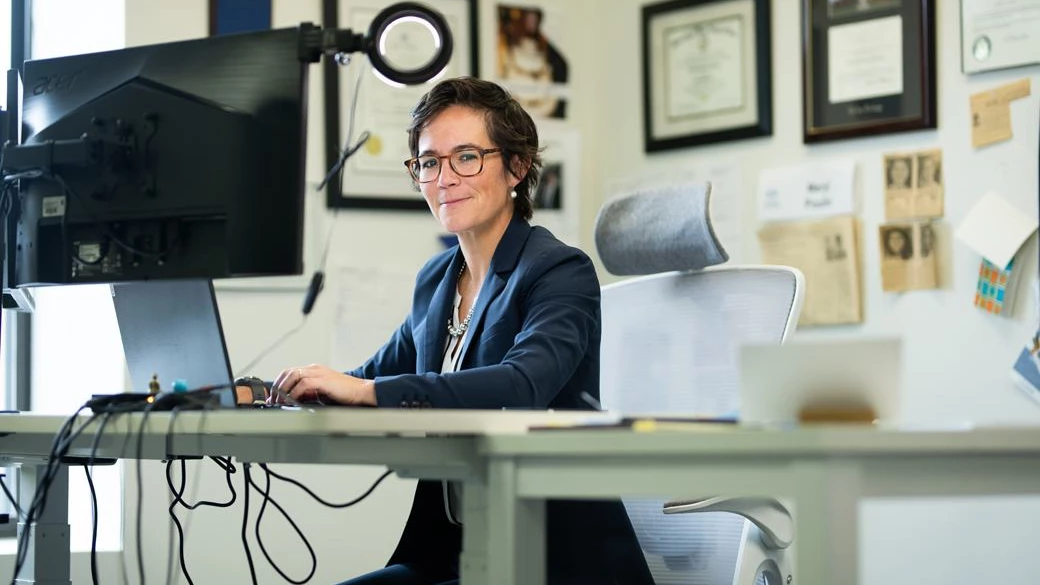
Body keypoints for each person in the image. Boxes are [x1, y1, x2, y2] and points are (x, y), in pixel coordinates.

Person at [271, 76, 652, 585]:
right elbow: (368, 377)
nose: (444, 178)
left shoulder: (559, 270)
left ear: (517, 166)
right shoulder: (436, 279)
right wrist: (271, 390)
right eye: (429, 162)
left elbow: (522, 382)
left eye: (467, 157)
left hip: (551, 558)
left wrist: (367, 390)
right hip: (457, 551)